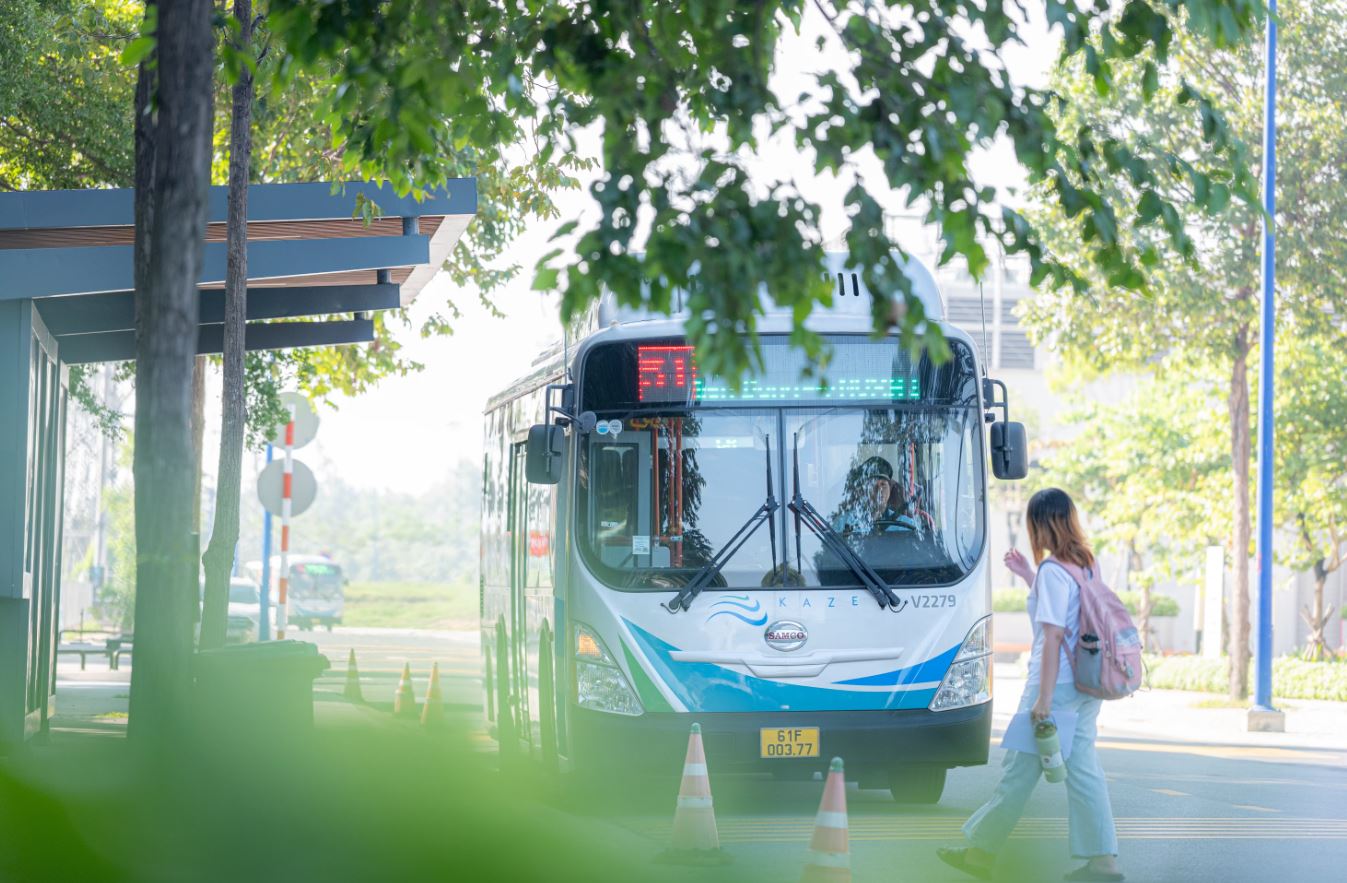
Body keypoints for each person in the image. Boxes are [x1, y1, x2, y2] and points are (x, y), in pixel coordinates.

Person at [937, 488, 1122, 883]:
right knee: (1084, 771)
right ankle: (1103, 861)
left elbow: (1053, 635)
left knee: (1019, 770)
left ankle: (980, 853)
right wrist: (1027, 576)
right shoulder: (1086, 564)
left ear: (1039, 525)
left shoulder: (1054, 571)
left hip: (1055, 688)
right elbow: (1069, 613)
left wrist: (1044, 699)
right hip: (1087, 684)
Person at [830, 456, 918, 536]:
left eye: (883, 484)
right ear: (863, 490)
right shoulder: (842, 524)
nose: (879, 489)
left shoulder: (907, 526)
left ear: (890, 489)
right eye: (873, 485)